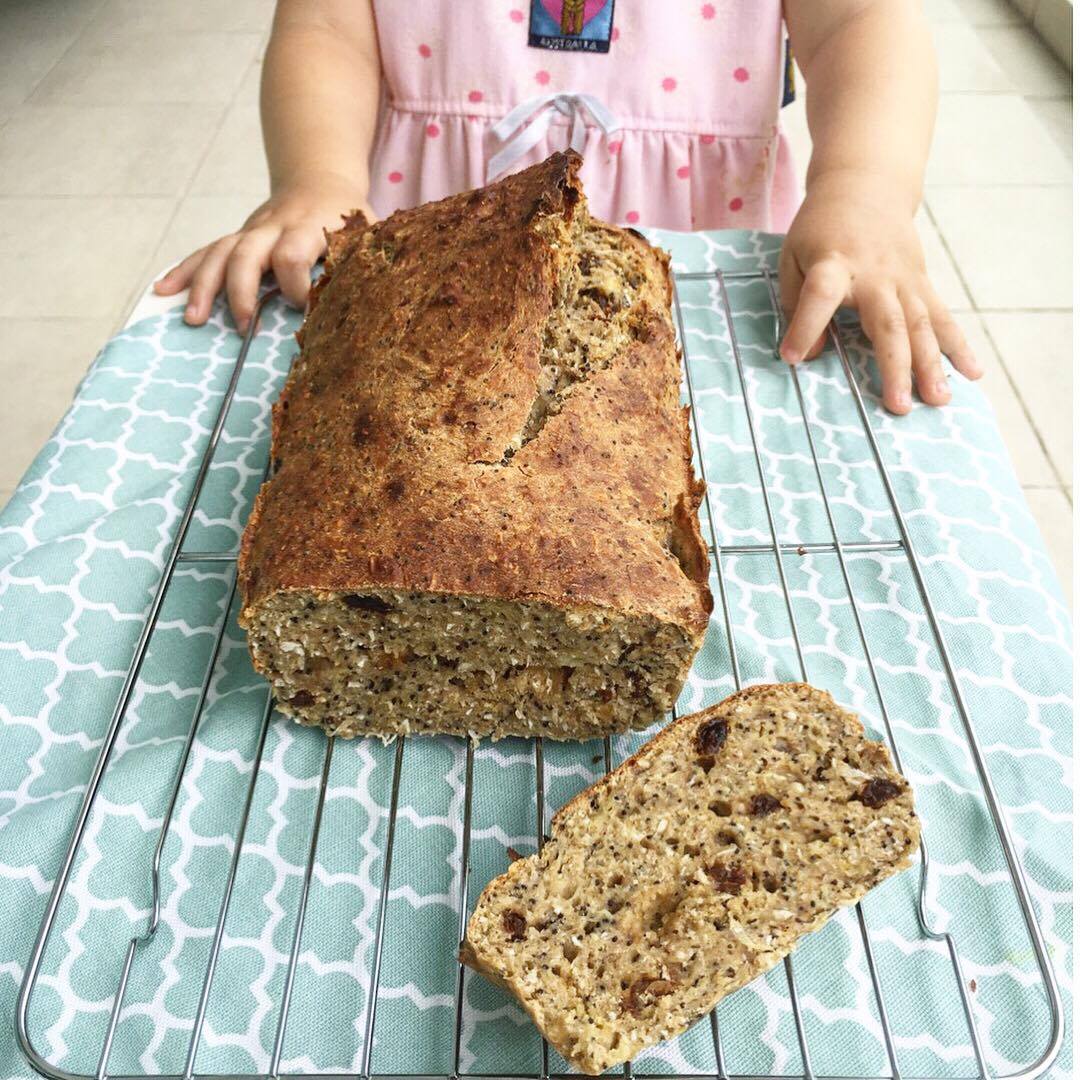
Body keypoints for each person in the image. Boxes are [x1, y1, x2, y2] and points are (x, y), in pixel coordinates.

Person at [154, 0, 981, 416]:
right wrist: (316, 181)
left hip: (696, 287)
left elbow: (862, 23)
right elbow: (329, 27)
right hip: (443, 258)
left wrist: (863, 188)